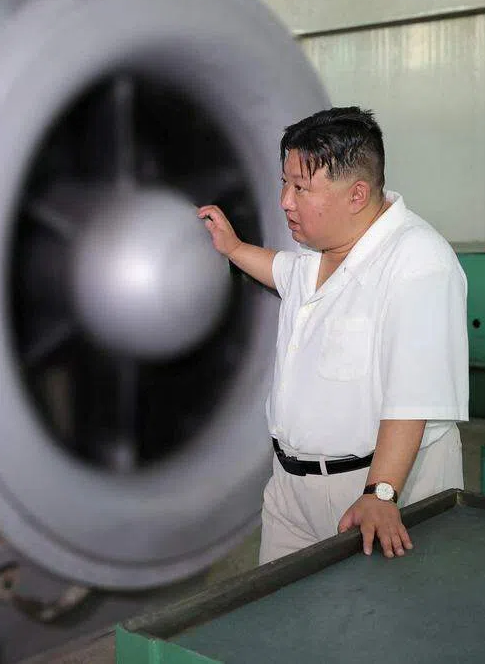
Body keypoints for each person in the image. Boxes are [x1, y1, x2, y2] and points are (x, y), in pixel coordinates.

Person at [198, 107, 468, 564]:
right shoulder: (322, 251)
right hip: (291, 489)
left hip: (378, 493)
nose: (285, 201)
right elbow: (282, 271)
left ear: (357, 194)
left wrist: (381, 493)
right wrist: (234, 248)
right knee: (282, 606)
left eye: (300, 188)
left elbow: (413, 397)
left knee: (379, 610)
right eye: (284, 183)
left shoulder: (418, 263)